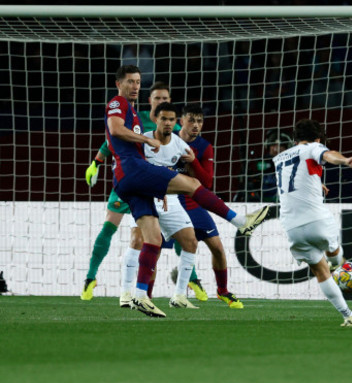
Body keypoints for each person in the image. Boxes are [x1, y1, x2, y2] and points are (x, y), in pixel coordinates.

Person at [105, 65, 268, 318]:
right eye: (130, 82)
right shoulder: (118, 103)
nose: (135, 86)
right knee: (191, 186)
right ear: (119, 84)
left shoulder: (136, 115)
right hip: (133, 172)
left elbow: (114, 138)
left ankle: (139, 296)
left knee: (154, 240)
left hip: (131, 181)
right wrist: (146, 140)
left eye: (138, 81)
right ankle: (240, 221)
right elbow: (114, 130)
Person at [81, 81, 182, 304]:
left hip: (149, 184)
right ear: (150, 101)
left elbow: (178, 149)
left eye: (165, 99)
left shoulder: (172, 127)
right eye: (157, 98)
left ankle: (138, 292)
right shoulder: (136, 115)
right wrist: (96, 162)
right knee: (109, 225)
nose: (161, 102)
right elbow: (112, 139)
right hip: (128, 177)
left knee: (151, 236)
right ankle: (90, 277)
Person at [273, 118, 352, 327]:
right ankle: (340, 265)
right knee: (334, 254)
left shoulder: (279, 157)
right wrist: (346, 160)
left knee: (319, 271)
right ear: (318, 138)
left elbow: (295, 179)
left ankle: (348, 315)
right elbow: (328, 155)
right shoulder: (314, 146)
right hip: (317, 220)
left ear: (295, 138)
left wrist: (316, 182)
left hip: (292, 226)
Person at [121, 102, 201, 309]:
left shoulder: (181, 146)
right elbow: (130, 170)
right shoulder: (142, 141)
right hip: (145, 196)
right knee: (137, 240)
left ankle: (180, 296)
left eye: (171, 120)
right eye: (163, 118)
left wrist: (194, 162)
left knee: (191, 242)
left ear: (176, 122)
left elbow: (200, 179)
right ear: (155, 119)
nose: (167, 123)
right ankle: (126, 293)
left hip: (169, 198)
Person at [168, 103, 244, 309]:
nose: (195, 125)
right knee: (152, 248)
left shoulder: (204, 147)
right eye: (191, 120)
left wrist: (193, 161)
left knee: (217, 248)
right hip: (168, 202)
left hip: (193, 202)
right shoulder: (169, 139)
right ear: (181, 120)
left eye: (199, 121)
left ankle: (223, 291)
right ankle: (142, 294)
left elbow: (207, 182)